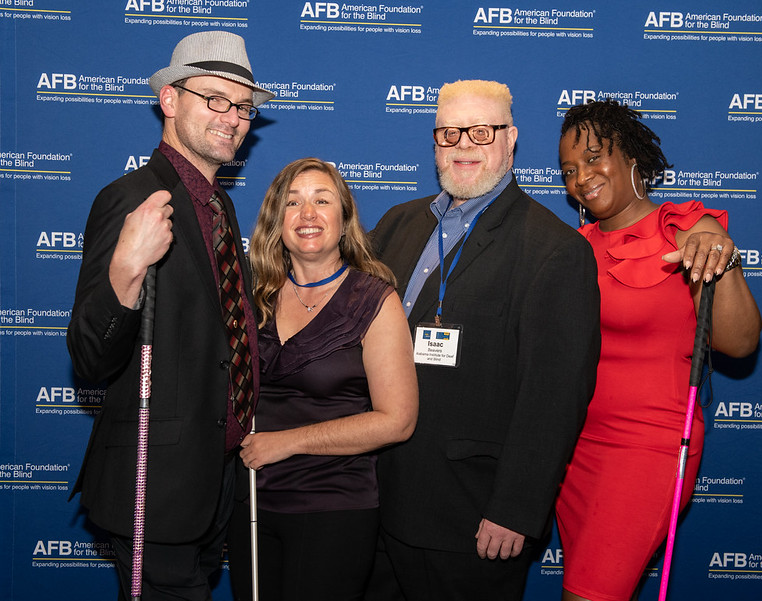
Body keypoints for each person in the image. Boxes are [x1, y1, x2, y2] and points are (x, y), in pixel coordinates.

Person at [365, 80, 601, 601]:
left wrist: (516, 508)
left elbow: (555, 395)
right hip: (374, 499)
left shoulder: (553, 250)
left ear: (510, 139)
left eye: (480, 131)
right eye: (449, 133)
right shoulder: (397, 224)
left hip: (469, 518)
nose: (463, 145)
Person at [66, 31, 273, 600]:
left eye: (243, 107)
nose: (232, 118)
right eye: (215, 99)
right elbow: (89, 357)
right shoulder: (130, 197)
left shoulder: (219, 205)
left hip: (216, 481)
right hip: (154, 485)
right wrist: (125, 270)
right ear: (170, 99)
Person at [556, 98, 762, 601]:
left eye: (594, 157)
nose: (582, 177)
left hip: (645, 449)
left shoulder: (685, 230)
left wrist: (722, 262)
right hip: (572, 450)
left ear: (631, 158)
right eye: (568, 170)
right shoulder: (573, 246)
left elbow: (739, 342)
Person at [225, 158, 418, 601]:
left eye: (321, 200)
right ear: (277, 221)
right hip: (252, 503)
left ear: (345, 218)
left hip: (333, 507)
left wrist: (287, 441)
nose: (307, 214)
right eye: (293, 203)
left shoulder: (375, 301)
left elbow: (397, 421)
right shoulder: (255, 296)